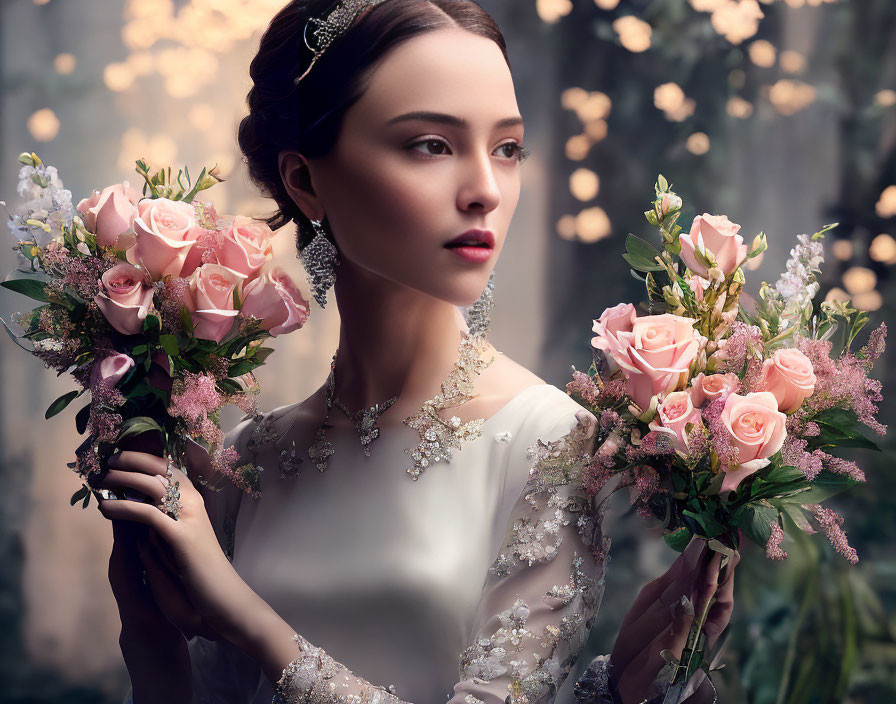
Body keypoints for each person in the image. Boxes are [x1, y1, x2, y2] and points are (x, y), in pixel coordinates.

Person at [92, 1, 737, 702]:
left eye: (507, 148)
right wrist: (142, 615)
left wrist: (246, 617)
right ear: (306, 180)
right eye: (432, 144)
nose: (486, 190)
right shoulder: (247, 460)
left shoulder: (549, 441)